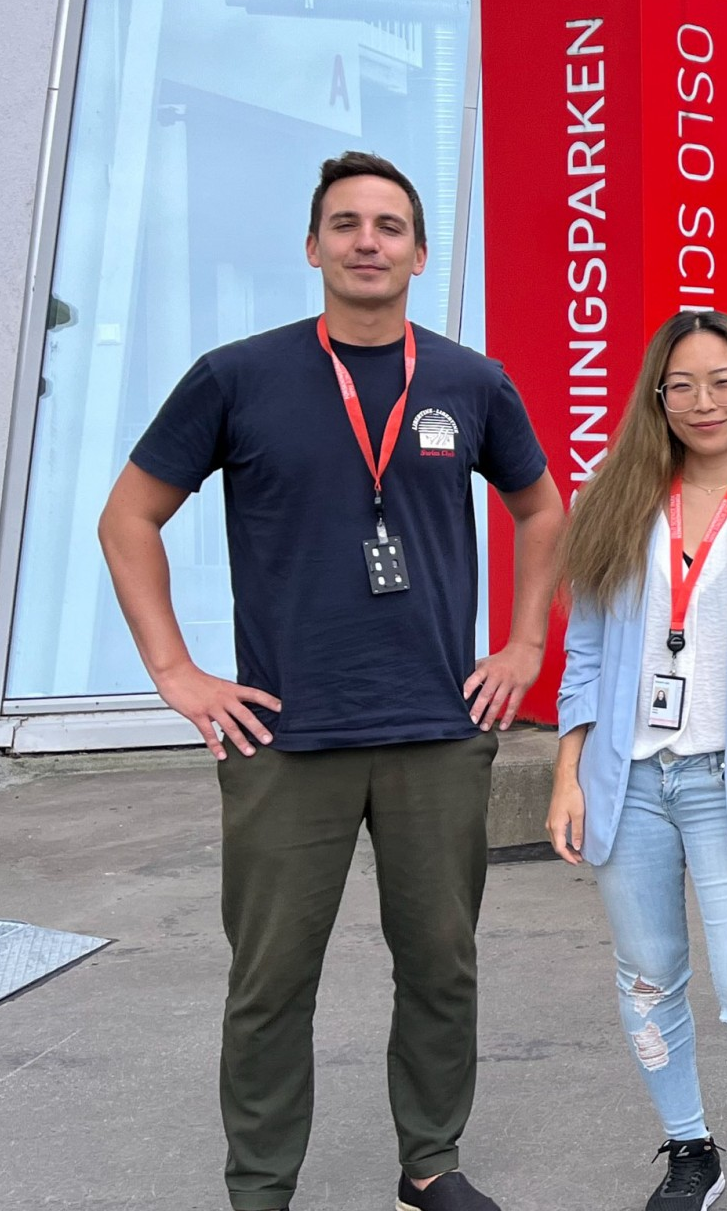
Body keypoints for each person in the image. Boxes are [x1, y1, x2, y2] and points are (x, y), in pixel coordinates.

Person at [97, 151, 564, 1211]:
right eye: (346, 225)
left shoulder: (469, 382)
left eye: (389, 226)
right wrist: (174, 670)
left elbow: (542, 509)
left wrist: (525, 647)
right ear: (312, 247)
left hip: (438, 727)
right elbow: (129, 518)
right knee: (269, 983)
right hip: (282, 736)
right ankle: (261, 1186)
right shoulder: (237, 377)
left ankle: (431, 1161)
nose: (367, 242)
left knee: (441, 966)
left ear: (419, 252)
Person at [547, 311, 727, 1211]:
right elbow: (588, 657)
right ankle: (691, 1151)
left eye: (722, 382)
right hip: (628, 782)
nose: (703, 401)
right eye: (682, 385)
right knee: (646, 980)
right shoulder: (617, 499)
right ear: (657, 399)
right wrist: (568, 773)